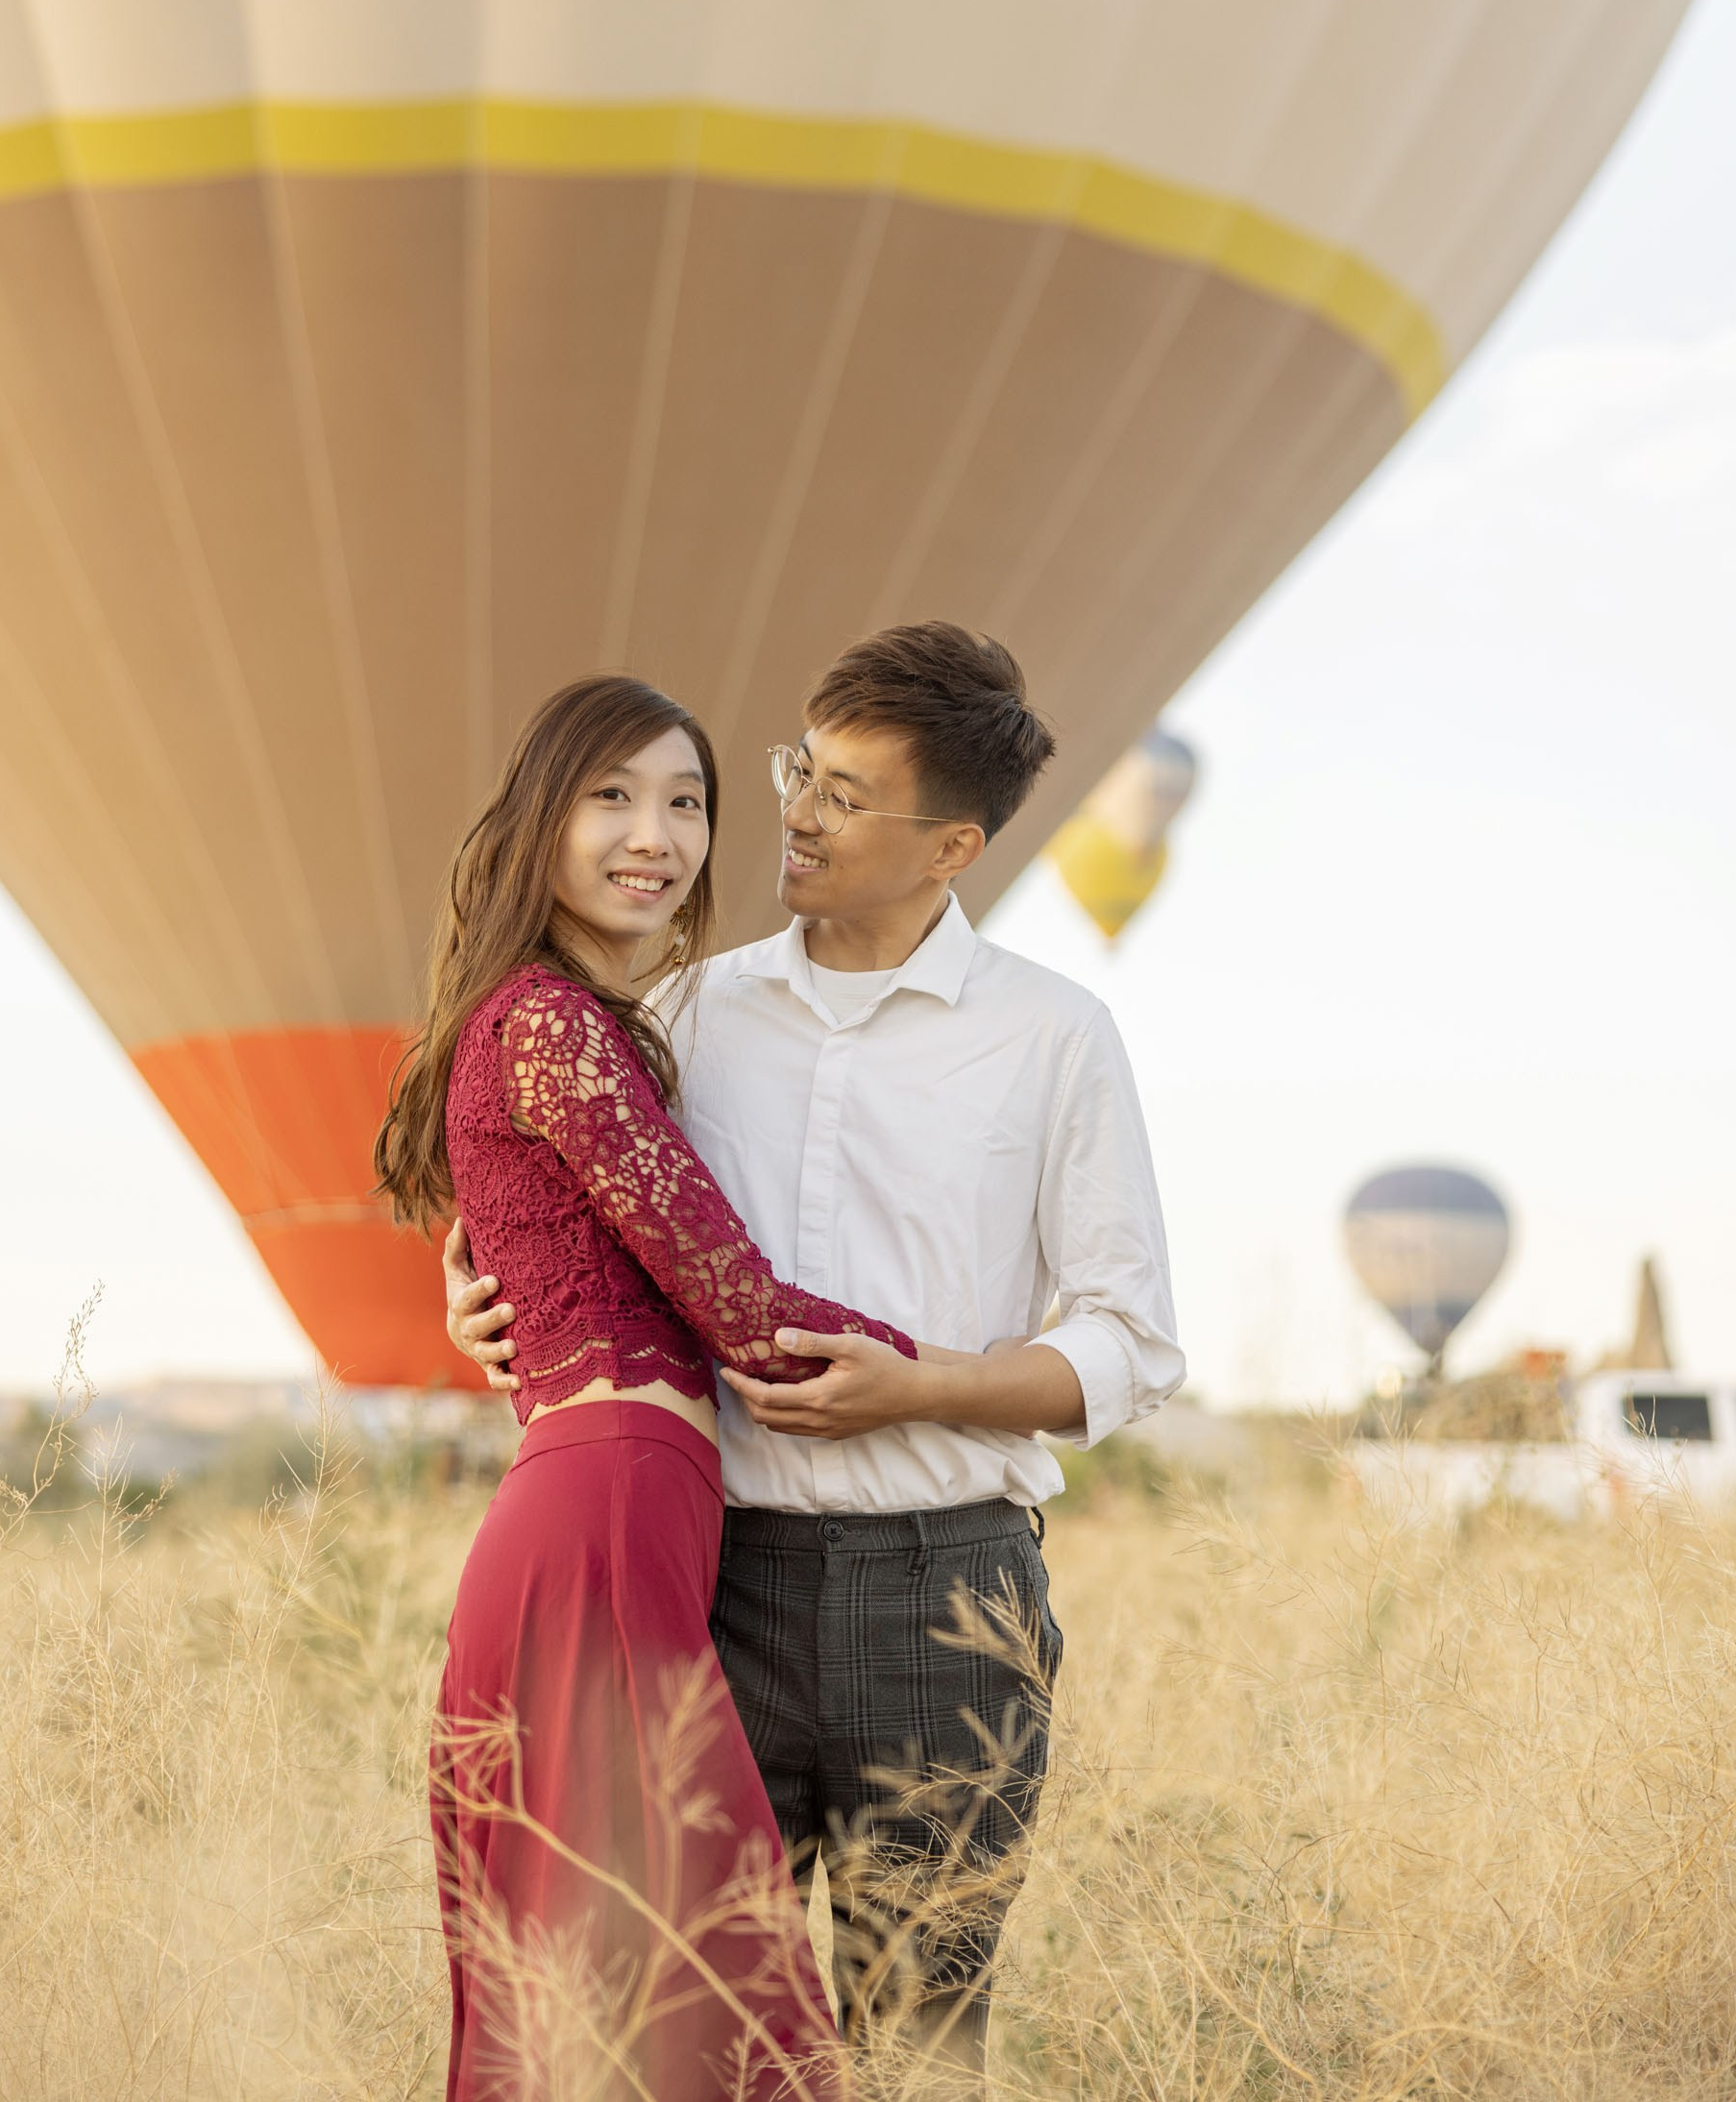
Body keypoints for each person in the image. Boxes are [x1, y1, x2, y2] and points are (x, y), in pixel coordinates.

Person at [448, 623, 1184, 2071]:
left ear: (948, 844)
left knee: (920, 2035)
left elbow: (1129, 1345)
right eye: (799, 770)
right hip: (715, 1588)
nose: (795, 810)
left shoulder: (1053, 1037)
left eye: (847, 794)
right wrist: (477, 1294)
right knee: (686, 2037)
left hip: (948, 1598)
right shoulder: (681, 1009)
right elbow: (532, 1170)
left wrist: (925, 1388)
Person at [376, 672, 934, 2102]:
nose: (657, 834)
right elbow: (737, 1304)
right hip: (606, 1522)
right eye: (612, 796)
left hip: (604, 1519)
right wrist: (966, 1368)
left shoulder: (566, 1023)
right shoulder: (555, 1026)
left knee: (609, 1996)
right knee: (696, 1990)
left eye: (686, 802)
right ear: (538, 823)